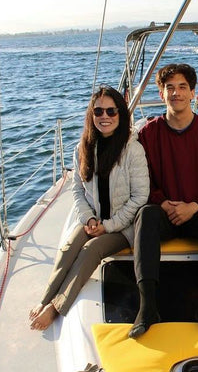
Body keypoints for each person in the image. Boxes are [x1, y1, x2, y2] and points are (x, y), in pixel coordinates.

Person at [29, 85, 149, 331]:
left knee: (90, 250)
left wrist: (108, 226)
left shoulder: (132, 149)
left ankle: (57, 306)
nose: (104, 116)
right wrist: (89, 219)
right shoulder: (83, 148)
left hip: (122, 227)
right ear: (91, 115)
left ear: (121, 114)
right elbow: (77, 190)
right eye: (98, 111)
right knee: (69, 247)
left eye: (111, 111)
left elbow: (140, 197)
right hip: (94, 221)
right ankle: (45, 298)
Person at [128, 64, 198, 339]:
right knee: (146, 215)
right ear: (161, 93)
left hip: (197, 212)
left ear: (193, 93)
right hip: (164, 213)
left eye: (182, 87)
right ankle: (147, 307)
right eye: (169, 88)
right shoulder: (148, 135)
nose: (176, 93)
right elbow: (141, 181)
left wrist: (194, 206)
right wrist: (163, 203)